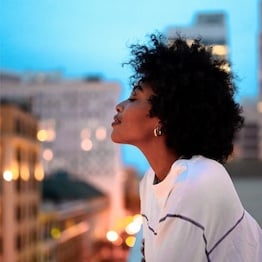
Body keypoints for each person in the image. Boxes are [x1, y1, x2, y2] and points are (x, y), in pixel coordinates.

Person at [111, 33, 262, 262]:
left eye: (133, 98)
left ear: (163, 117)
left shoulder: (196, 183)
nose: (119, 106)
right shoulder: (149, 182)